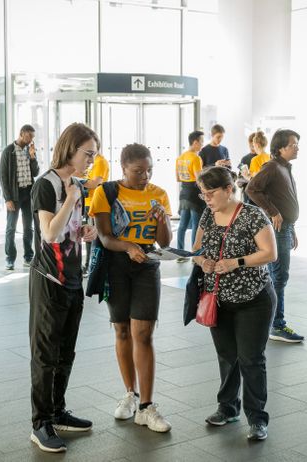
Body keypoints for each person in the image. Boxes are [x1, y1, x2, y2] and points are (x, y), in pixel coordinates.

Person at [89, 143, 173, 433]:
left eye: (148, 169)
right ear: (123, 168)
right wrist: (128, 247)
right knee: (122, 329)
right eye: (138, 171)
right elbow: (104, 236)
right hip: (117, 266)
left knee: (143, 333)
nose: (145, 175)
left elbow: (164, 242)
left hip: (147, 266)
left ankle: (147, 406)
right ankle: (130, 393)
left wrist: (161, 220)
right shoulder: (105, 193)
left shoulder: (158, 194)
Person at [192, 166, 277, 441]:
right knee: (227, 357)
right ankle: (227, 408)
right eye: (202, 193)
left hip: (253, 298)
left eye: (210, 193)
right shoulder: (208, 213)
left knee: (251, 359)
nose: (206, 198)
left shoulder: (252, 215)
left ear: (229, 189)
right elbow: (196, 250)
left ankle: (257, 419)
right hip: (219, 298)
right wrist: (202, 261)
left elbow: (270, 253)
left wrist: (234, 263)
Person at [28, 123, 98, 453]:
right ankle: (40, 422)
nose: (91, 161)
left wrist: (87, 229)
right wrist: (70, 201)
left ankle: (57, 411)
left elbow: (71, 229)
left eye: (95, 155)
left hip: (73, 278)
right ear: (70, 150)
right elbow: (49, 234)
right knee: (45, 354)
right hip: (48, 280)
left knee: (66, 351)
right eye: (88, 154)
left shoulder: (76, 187)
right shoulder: (48, 185)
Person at [247, 129, 305, 343]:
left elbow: (286, 199)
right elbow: (252, 189)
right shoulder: (271, 167)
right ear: (280, 147)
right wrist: (273, 211)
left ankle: (270, 322)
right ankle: (276, 324)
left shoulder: (284, 168)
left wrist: (293, 228)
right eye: (293, 144)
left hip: (286, 228)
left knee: (276, 277)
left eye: (297, 143)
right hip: (279, 229)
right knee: (278, 277)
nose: (297, 147)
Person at [1, 125, 40, 270]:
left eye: (33, 137)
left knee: (28, 228)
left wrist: (32, 156)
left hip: (28, 194)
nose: (31, 140)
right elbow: (3, 177)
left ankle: (28, 257)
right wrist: (7, 198)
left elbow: (35, 173)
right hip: (14, 195)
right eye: (30, 136)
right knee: (11, 228)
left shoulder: (29, 151)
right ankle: (10, 258)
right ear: (22, 134)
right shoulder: (8, 151)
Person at [175, 130, 205, 260]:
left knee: (182, 225)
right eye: (201, 142)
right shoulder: (196, 158)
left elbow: (177, 178)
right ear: (195, 142)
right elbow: (199, 179)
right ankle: (194, 255)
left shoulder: (180, 158)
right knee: (196, 225)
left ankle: (180, 253)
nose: (202, 145)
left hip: (183, 193)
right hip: (194, 194)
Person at [82, 150, 110, 273]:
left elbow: (94, 183)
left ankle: (89, 266)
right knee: (88, 236)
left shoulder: (100, 162)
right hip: (87, 202)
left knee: (92, 236)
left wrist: (75, 180)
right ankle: (88, 265)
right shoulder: (92, 162)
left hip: (94, 203)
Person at [237, 132, 258, 203]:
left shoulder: (263, 157)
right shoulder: (245, 159)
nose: (252, 147)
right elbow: (239, 181)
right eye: (251, 145)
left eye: (254, 145)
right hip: (247, 195)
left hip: (260, 194)